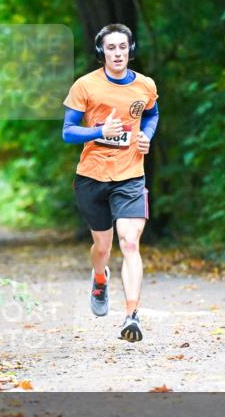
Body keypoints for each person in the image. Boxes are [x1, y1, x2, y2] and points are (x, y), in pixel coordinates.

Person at [61, 23, 159, 342]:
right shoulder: (85, 86)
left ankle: (132, 316)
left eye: (122, 47)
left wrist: (146, 135)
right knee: (102, 246)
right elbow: (68, 131)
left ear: (131, 50)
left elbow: (152, 113)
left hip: (130, 174)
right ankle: (100, 278)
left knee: (129, 242)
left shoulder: (145, 85)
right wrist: (99, 132)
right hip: (92, 176)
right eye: (111, 47)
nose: (117, 53)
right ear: (101, 51)